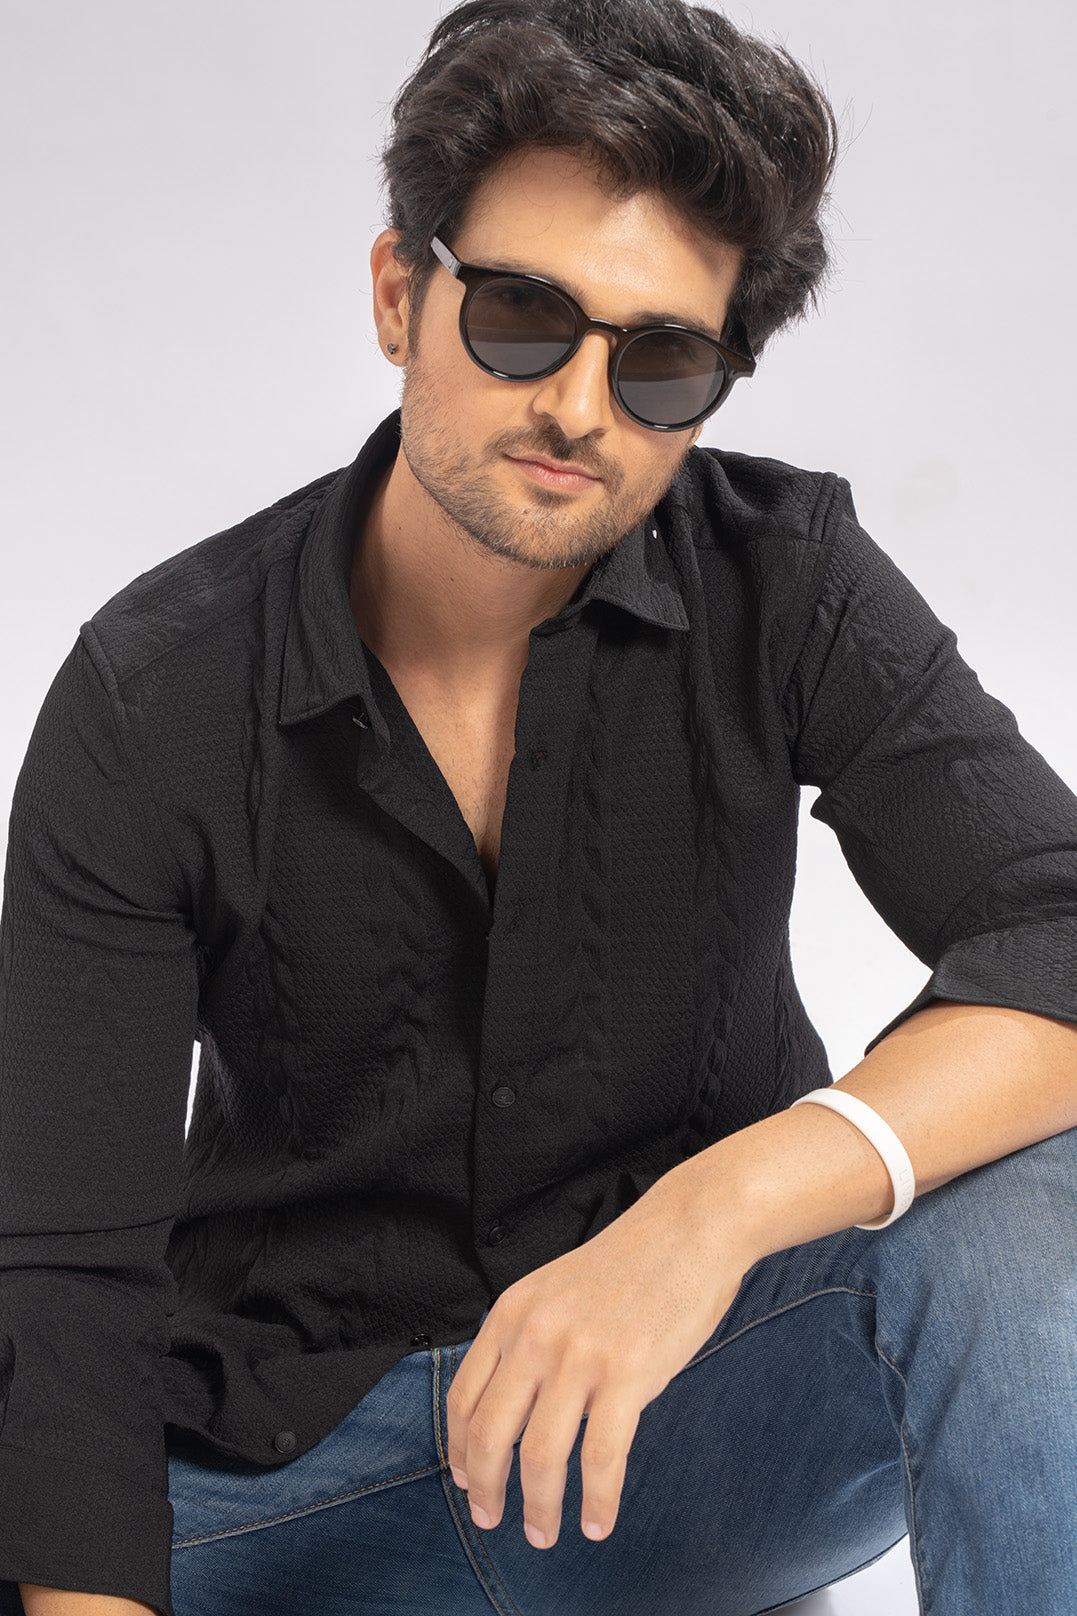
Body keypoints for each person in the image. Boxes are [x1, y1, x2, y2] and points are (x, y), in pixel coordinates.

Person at [2, 1, 1076, 1612]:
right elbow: (67, 1275)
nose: (579, 406)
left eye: (659, 362)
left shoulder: (786, 583)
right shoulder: (156, 692)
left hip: (690, 1434)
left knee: (1028, 1189)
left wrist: (706, 1218)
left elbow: (1056, 925)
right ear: (399, 294)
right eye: (522, 317)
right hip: (283, 1483)